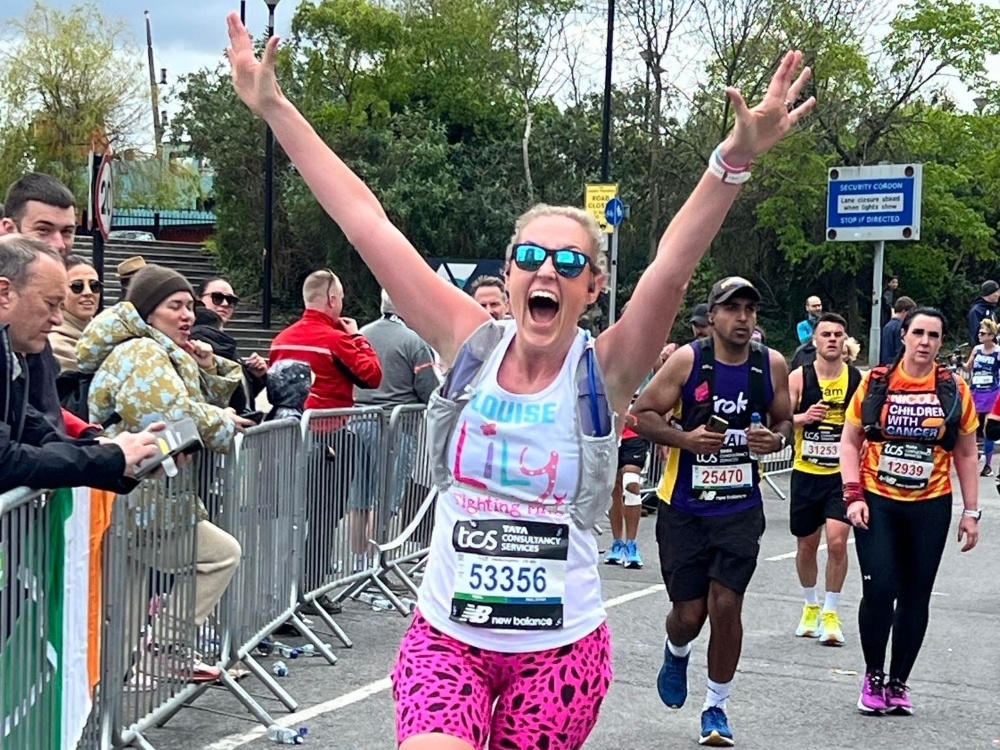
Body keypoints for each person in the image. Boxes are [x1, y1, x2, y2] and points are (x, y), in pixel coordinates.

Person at [226, 14, 813, 749]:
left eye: (569, 264)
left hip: (560, 652)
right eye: (531, 255)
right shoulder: (466, 343)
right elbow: (367, 223)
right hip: (448, 640)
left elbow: (670, 265)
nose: (547, 271)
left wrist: (732, 160)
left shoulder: (605, 371)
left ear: (592, 287)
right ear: (508, 272)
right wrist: (276, 107)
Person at [631, 276, 793, 746]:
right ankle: (676, 649)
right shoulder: (689, 360)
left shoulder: (771, 365)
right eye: (733, 309)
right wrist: (685, 439)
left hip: (740, 506)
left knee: (727, 603)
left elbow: (784, 419)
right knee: (690, 612)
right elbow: (641, 414)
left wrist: (776, 438)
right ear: (713, 316)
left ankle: (716, 707)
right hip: (684, 507)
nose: (743, 317)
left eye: (750, 310)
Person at [77, 263, 251, 682]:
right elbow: (172, 416)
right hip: (140, 497)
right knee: (222, 553)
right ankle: (165, 645)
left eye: (190, 306)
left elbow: (190, 403)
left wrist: (208, 365)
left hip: (142, 498)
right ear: (148, 311)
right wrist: (224, 423)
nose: (188, 316)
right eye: (176, 306)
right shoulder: (142, 352)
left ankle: (104, 711)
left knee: (130, 606)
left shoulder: (161, 350)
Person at [840, 306, 979, 716]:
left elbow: (967, 454)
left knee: (916, 596)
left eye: (933, 336)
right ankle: (872, 675)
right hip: (878, 502)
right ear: (903, 335)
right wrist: (853, 496)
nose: (925, 342)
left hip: (930, 505)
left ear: (940, 342)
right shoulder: (877, 382)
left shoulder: (954, 389)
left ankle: (899, 681)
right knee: (880, 589)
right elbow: (849, 442)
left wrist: (972, 512)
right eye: (918, 333)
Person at [0, 235, 160, 492]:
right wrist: (111, 457)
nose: (57, 319)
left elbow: (36, 431)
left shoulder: (13, 352)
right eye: (51, 304)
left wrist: (116, 454)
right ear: (4, 292)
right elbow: (6, 461)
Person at [269, 269, 383, 613]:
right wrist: (358, 336)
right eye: (342, 298)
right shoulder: (337, 339)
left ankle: (284, 590)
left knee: (289, 516)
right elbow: (372, 375)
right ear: (332, 299)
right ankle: (313, 589)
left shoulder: (282, 339)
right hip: (331, 437)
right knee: (324, 518)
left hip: (287, 440)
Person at [786, 313, 859, 646]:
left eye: (838, 334)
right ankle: (810, 605)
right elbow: (782, 421)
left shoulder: (857, 380)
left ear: (845, 341)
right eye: (826, 334)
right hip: (805, 472)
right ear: (814, 341)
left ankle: (831, 612)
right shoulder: (799, 378)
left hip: (840, 476)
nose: (832, 339)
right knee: (806, 546)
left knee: (838, 542)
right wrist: (805, 416)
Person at [353, 289, 441, 550]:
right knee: (386, 499)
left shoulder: (360, 335)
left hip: (355, 422)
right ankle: (376, 563)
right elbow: (430, 390)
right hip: (397, 428)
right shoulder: (414, 341)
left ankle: (357, 563)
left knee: (358, 497)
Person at [0, 173, 79, 431]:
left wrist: (86, 436)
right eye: (43, 230)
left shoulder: (33, 325)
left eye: (67, 232)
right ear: (8, 229)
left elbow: (34, 410)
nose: (58, 244)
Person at [191, 276, 268, 413]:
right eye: (217, 297)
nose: (225, 304)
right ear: (198, 300)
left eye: (232, 300)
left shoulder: (224, 343)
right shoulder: (195, 341)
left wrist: (255, 377)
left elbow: (238, 396)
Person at [604, 420, 649, 568]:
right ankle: (617, 542)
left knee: (631, 483)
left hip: (636, 432)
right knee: (614, 486)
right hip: (611, 433)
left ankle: (631, 544)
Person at [964, 318, 1000, 476]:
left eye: (983, 333)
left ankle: (988, 465)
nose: (980, 335)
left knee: (987, 428)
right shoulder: (977, 349)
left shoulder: (998, 351)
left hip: (991, 391)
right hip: (976, 391)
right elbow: (968, 367)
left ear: (991, 335)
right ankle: (973, 455)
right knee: (971, 426)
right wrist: (958, 362)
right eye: (979, 332)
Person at [878, 295, 915, 365]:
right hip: (895, 364)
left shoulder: (887, 326)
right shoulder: (901, 327)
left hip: (885, 363)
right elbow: (900, 349)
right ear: (904, 311)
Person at [967, 280, 999, 345]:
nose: (999, 295)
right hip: (984, 352)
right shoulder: (976, 311)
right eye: (997, 292)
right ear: (990, 293)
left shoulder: (991, 310)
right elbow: (976, 336)